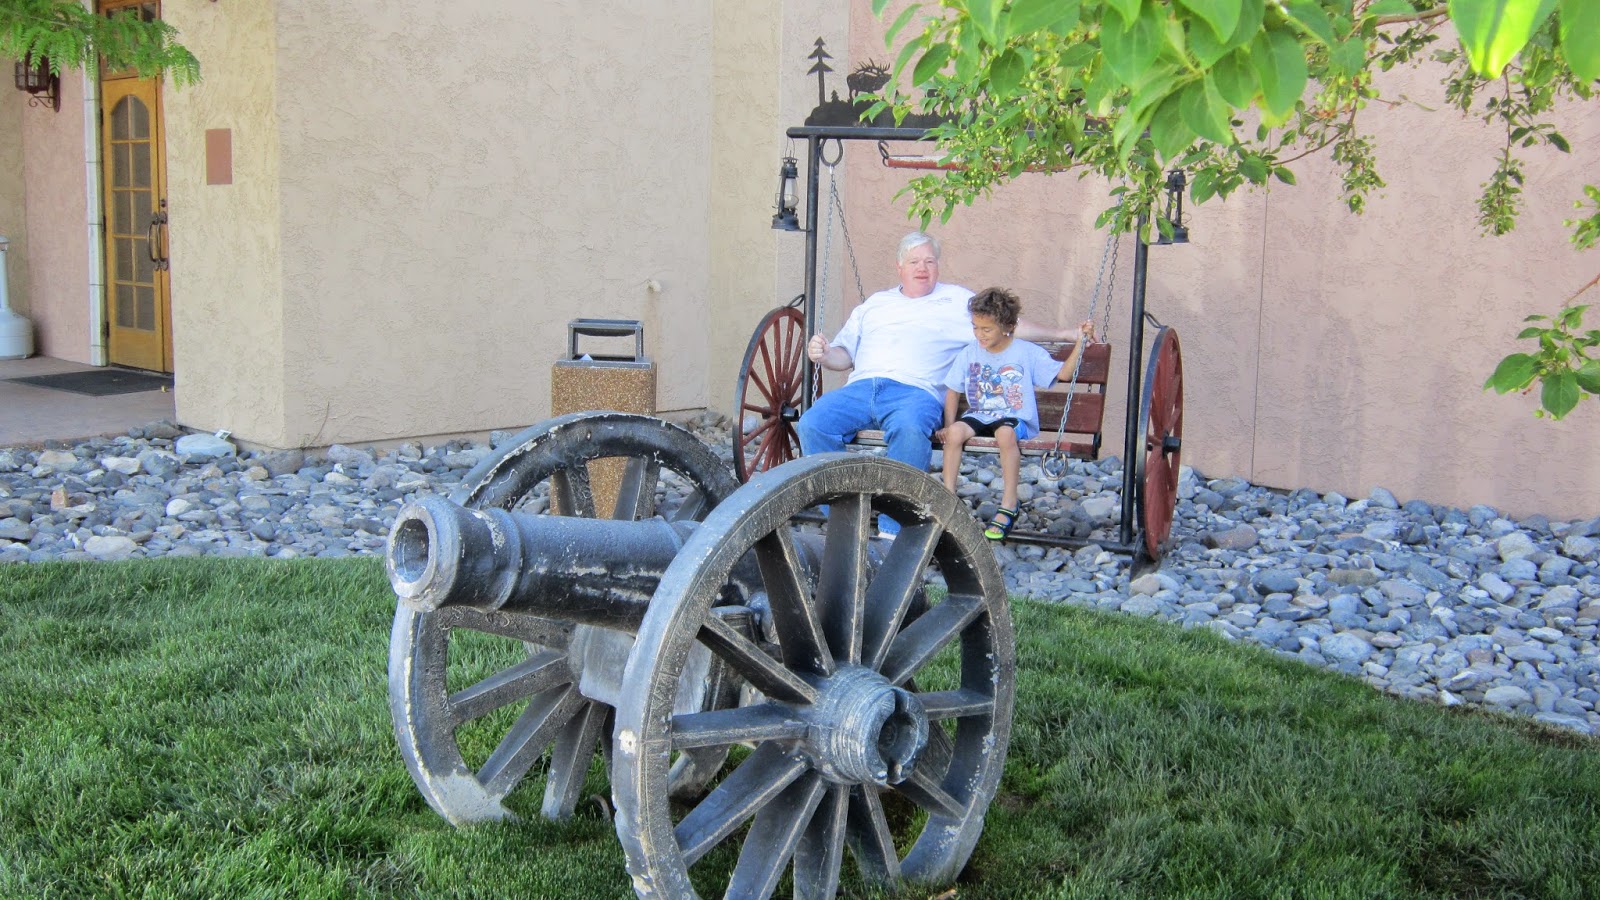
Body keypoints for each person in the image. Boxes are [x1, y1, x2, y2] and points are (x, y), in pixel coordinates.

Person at [798, 231, 1084, 534]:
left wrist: (1063, 334)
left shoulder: (956, 300)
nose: (922, 268)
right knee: (813, 424)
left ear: (937, 266)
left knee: (909, 430)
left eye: (929, 261)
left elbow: (1006, 326)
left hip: (915, 393)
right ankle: (844, 516)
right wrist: (825, 354)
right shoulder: (875, 304)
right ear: (899, 267)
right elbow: (844, 356)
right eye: (914, 262)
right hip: (860, 388)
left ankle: (892, 531)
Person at [936, 287, 1093, 540]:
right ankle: (948, 499)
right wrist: (948, 424)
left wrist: (1080, 343)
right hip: (981, 414)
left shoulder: (1026, 352)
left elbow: (1064, 374)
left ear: (1007, 327)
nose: (979, 334)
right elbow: (953, 390)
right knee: (954, 433)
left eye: (986, 330)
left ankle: (1009, 502)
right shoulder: (970, 352)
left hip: (1014, 416)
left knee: (1005, 434)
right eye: (975, 327)